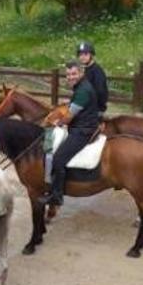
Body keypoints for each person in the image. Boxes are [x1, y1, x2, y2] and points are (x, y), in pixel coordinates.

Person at [39, 60, 101, 207]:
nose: (70, 77)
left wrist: (57, 123)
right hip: (82, 126)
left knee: (58, 159)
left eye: (74, 74)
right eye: (68, 74)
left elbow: (69, 116)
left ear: (81, 73)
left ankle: (57, 196)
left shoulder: (83, 91)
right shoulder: (81, 87)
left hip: (82, 131)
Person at [77, 41, 108, 117]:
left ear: (91, 55)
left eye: (85, 54)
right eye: (80, 54)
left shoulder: (97, 71)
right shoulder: (85, 69)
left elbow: (100, 91)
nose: (82, 57)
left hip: (94, 109)